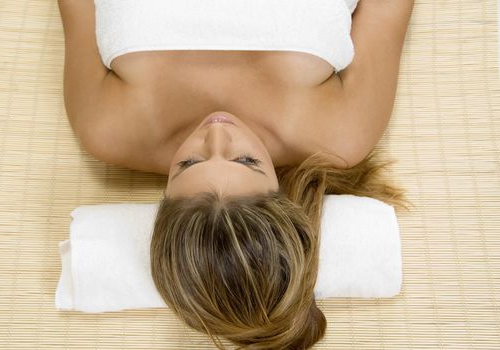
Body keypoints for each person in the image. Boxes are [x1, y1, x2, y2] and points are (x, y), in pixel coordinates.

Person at [58, 0, 414, 348]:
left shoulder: (108, 126)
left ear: (162, 199)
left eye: (189, 164)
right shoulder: (339, 133)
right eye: (246, 161)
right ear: (280, 192)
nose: (216, 129)